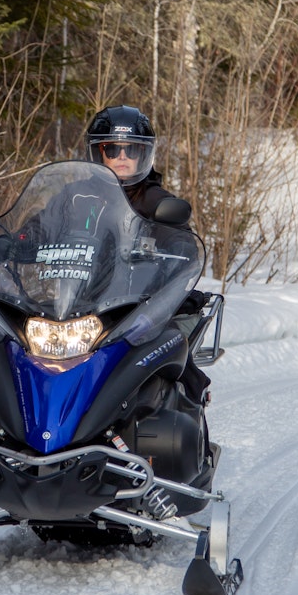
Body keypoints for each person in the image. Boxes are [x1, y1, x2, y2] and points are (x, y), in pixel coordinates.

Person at [85, 105, 211, 400]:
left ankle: (186, 403)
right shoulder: (77, 195)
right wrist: (14, 243)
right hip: (76, 304)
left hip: (136, 307)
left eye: (131, 150)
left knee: (166, 346)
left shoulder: (154, 200)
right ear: (98, 152)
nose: (122, 158)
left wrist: (172, 258)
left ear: (144, 155)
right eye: (112, 149)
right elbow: (41, 228)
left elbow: (182, 244)